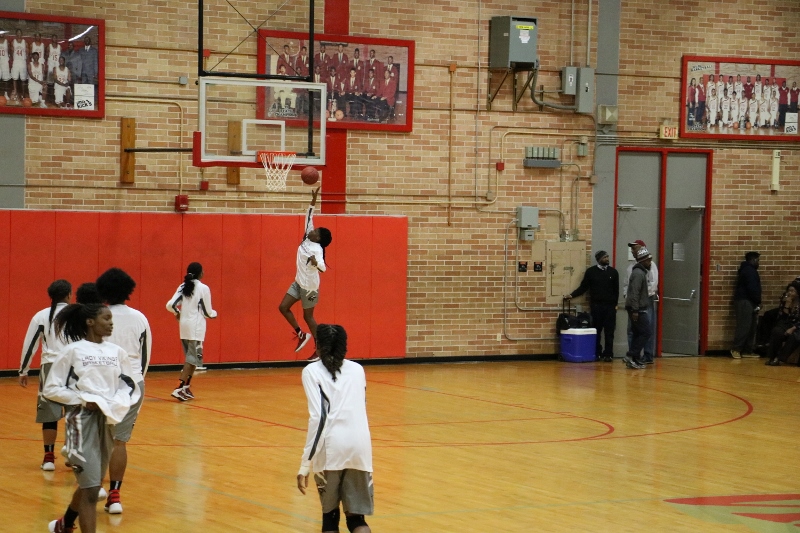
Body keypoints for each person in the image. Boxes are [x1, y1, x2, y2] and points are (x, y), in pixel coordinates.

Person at [43, 302, 138, 533]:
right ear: (90, 322)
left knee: (92, 484)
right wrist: (84, 400)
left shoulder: (117, 352)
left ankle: (65, 523)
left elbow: (128, 385)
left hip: (107, 420)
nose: (111, 323)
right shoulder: (73, 351)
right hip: (81, 420)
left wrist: (116, 403)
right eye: (106, 318)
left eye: (111, 319)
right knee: (92, 488)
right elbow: (51, 388)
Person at [296, 324, 374, 533]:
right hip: (360, 447)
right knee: (357, 519)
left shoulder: (311, 371)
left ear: (317, 346)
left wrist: (305, 464)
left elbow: (318, 418)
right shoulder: (358, 369)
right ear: (343, 346)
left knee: (330, 519)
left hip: (331, 449)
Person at [96, 268, 152, 514]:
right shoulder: (140, 318)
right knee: (120, 441)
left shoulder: (97, 316)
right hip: (132, 383)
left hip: (102, 383)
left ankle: (94, 486)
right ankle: (115, 496)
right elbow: (145, 356)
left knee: (98, 439)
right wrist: (137, 381)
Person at [18, 279, 71, 471]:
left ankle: (49, 458)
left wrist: (23, 370)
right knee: (75, 412)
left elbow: (30, 345)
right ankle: (73, 453)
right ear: (69, 295)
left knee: (49, 413)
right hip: (75, 367)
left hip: (50, 368)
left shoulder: (41, 316)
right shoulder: (78, 314)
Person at [278, 186, 332, 356]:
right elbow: (309, 214)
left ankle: (319, 349)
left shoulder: (317, 250)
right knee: (283, 307)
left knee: (308, 317)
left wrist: (316, 263)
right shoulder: (307, 235)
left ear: (318, 238)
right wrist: (313, 201)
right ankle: (301, 335)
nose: (312, 230)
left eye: (315, 231)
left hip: (310, 288)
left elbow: (323, 268)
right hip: (298, 282)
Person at [166, 262, 217, 401]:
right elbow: (207, 312)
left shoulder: (183, 286)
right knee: (191, 359)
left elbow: (170, 305)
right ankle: (179, 387)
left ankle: (186, 387)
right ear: (200, 273)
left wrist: (177, 313)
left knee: (193, 359)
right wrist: (214, 314)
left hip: (184, 326)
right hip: (196, 327)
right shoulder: (203, 288)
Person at [564, 250, 619, 362]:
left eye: (607, 257)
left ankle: (608, 354)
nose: (607, 259)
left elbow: (616, 290)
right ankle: (597, 352)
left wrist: (615, 305)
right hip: (596, 306)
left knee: (609, 332)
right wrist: (572, 295)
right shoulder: (591, 272)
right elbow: (583, 287)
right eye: (604, 257)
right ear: (599, 259)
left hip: (609, 307)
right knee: (596, 330)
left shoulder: (613, 272)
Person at [624, 240, 659, 362]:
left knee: (645, 331)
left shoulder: (650, 266)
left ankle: (645, 355)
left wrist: (643, 297)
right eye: (632, 249)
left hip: (644, 301)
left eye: (636, 248)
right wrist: (631, 302)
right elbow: (630, 287)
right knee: (641, 331)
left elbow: (652, 284)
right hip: (636, 304)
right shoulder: (635, 270)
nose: (633, 251)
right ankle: (633, 355)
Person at [731, 251, 762, 359]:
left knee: (750, 326)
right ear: (753, 260)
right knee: (744, 326)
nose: (758, 263)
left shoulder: (746, 270)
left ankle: (747, 350)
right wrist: (758, 300)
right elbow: (752, 288)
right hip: (745, 301)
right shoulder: (750, 271)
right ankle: (736, 349)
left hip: (747, 301)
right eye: (758, 260)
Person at [765, 281, 800, 366]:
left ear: (798, 293)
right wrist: (787, 305)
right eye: (789, 291)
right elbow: (783, 318)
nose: (790, 293)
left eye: (793, 291)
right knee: (777, 331)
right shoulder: (785, 301)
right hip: (787, 323)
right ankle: (772, 357)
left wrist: (792, 328)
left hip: (797, 325)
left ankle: (779, 358)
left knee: (794, 337)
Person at [11, 29, 28, 101]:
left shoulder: (25, 42)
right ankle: (15, 91)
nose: (19, 34)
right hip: (16, 61)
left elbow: (27, 53)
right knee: (14, 78)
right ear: (16, 34)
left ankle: (23, 93)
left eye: (20, 33)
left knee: (23, 79)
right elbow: (11, 52)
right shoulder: (13, 42)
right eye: (17, 33)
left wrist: (25, 59)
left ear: (22, 34)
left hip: (22, 61)